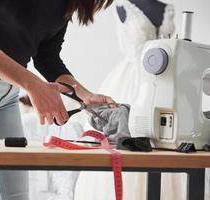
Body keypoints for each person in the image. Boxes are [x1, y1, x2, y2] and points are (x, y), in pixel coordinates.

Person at [0, 0, 117, 200]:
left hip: (6, 98)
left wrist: (85, 95)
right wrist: (33, 85)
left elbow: (47, 57)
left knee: (16, 197)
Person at [74, 0, 177, 200]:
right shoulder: (124, 6)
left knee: (164, 139)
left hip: (164, 80)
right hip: (131, 81)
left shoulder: (167, 9)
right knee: (126, 133)